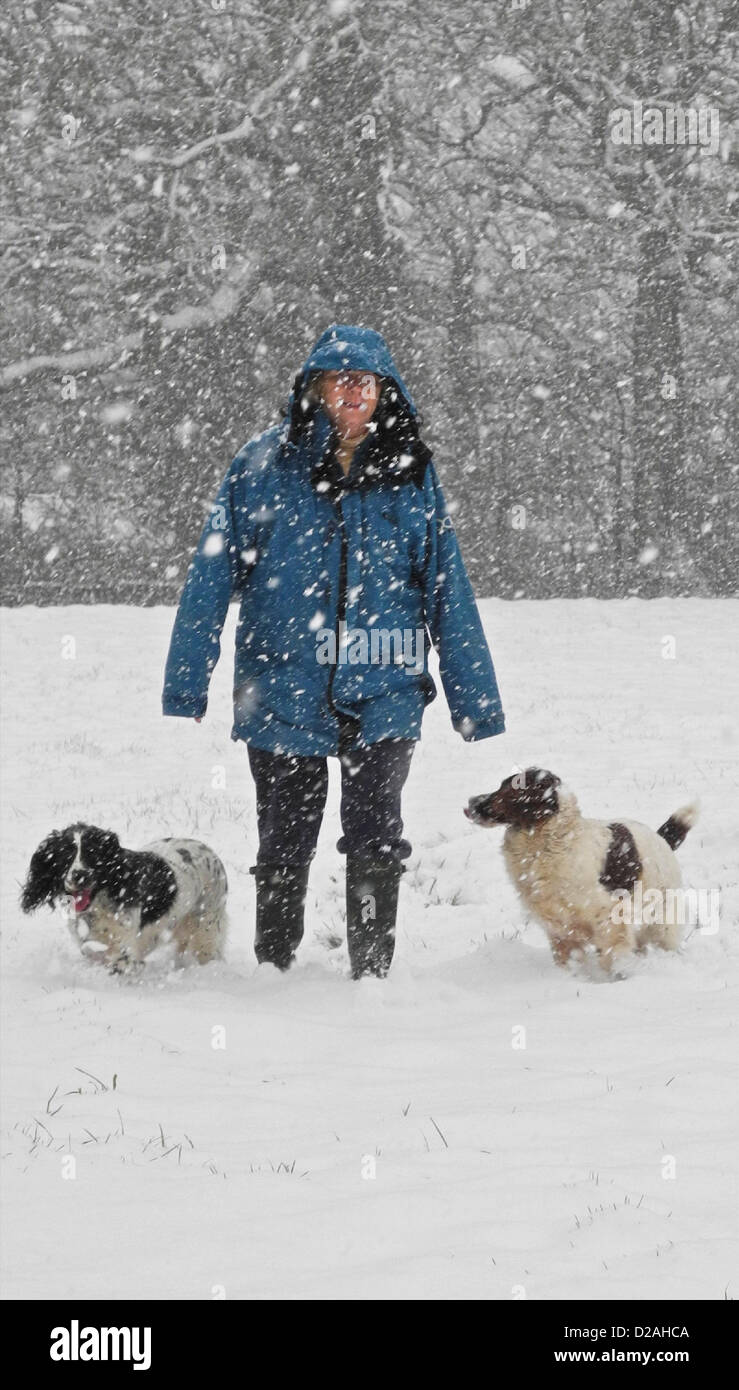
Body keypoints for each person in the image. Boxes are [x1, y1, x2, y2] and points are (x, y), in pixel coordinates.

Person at [162, 324, 505, 978]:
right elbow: (210, 577)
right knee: (284, 838)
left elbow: (445, 586)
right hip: (281, 687)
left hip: (386, 689)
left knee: (377, 833)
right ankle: (274, 969)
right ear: (314, 388)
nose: (353, 391)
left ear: (385, 393)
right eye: (340, 379)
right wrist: (187, 682)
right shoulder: (261, 466)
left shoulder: (410, 474)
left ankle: (370, 975)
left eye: (366, 381)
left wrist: (474, 702)